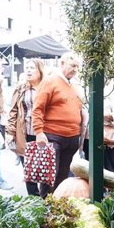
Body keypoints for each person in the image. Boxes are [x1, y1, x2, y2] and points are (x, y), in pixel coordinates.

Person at [32, 52, 83, 198]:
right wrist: (39, 132)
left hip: (72, 137)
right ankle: (45, 208)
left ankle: (57, 208)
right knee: (49, 177)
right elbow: (37, 108)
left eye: (77, 67)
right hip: (53, 136)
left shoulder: (73, 85)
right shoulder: (50, 81)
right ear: (62, 64)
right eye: (72, 65)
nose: (75, 69)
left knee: (62, 178)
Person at [6, 58, 45, 196]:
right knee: (29, 170)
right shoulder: (20, 88)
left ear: (40, 71)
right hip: (25, 133)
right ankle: (33, 200)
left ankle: (46, 200)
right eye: (27, 67)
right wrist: (10, 131)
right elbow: (13, 111)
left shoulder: (46, 88)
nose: (28, 70)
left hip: (43, 134)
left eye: (32, 68)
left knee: (44, 169)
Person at [82, 76, 114, 173]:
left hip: (108, 139)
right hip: (88, 138)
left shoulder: (111, 92)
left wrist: (109, 116)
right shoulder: (85, 91)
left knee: (109, 173)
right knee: (90, 173)